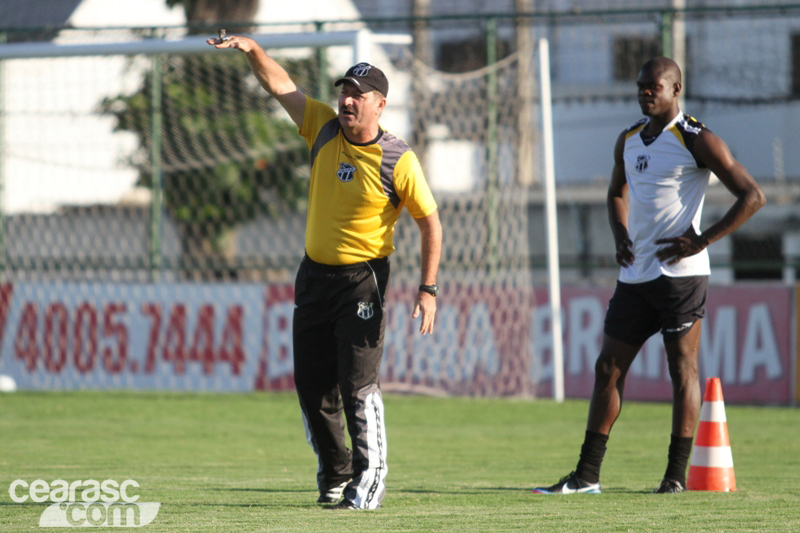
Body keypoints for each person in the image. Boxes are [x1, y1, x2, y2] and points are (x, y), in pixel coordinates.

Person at [208, 35, 442, 509]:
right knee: (313, 385)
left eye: (358, 95)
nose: (347, 100)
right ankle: (336, 474)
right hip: (313, 277)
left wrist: (428, 288)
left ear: (380, 104)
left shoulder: (398, 159)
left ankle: (369, 481)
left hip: (363, 281)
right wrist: (253, 51)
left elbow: (430, 223)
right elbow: (280, 86)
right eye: (344, 91)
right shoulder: (322, 127)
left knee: (357, 386)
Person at [532, 57, 765, 494]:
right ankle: (586, 476)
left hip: (682, 277)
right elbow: (615, 192)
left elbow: (753, 196)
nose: (644, 92)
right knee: (607, 368)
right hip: (636, 276)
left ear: (676, 89)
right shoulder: (629, 139)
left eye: (653, 86)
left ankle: (674, 477)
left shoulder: (697, 139)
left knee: (682, 370)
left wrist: (703, 239)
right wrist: (620, 235)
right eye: (640, 85)